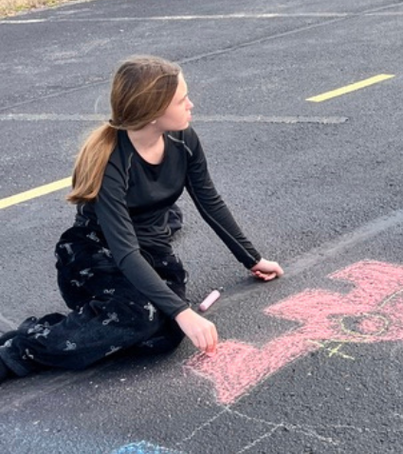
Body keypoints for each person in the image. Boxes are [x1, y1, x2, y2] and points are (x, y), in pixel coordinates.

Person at [0, 56, 283, 381]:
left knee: (165, 335)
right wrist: (183, 312)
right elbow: (125, 253)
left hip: (150, 248)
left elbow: (210, 203)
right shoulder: (111, 162)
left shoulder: (184, 139)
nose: (191, 104)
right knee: (144, 318)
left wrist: (252, 258)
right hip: (96, 255)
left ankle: (100, 321)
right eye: (181, 99)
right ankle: (20, 349)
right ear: (152, 113)